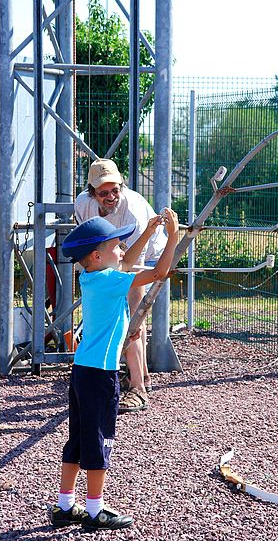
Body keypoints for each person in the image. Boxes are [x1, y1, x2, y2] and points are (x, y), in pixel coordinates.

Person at [50, 208, 178, 531]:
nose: (122, 251)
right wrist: (172, 237)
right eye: (116, 246)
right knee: (99, 440)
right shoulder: (110, 280)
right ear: (97, 255)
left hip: (82, 371)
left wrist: (147, 233)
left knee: (77, 439)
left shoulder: (91, 276)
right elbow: (160, 273)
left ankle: (65, 505)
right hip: (101, 375)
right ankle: (95, 510)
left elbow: (120, 262)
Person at [75, 158, 167, 412]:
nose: (111, 196)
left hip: (146, 251)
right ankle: (129, 372)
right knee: (106, 311)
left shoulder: (133, 212)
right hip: (110, 254)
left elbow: (129, 262)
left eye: (115, 189)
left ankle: (138, 385)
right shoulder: (83, 204)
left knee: (133, 310)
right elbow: (90, 247)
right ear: (92, 193)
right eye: (103, 192)